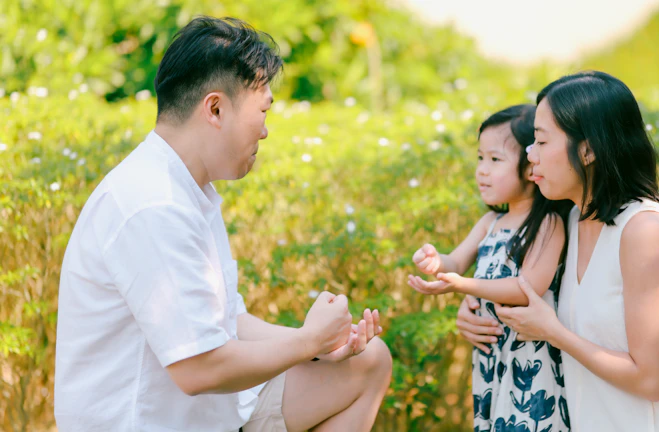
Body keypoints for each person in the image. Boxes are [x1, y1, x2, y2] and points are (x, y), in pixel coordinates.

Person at [54, 16, 391, 432]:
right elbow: (199, 370)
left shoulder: (187, 188)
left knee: (369, 360)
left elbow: (230, 321)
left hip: (216, 412)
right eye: (263, 111)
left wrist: (324, 345)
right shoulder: (152, 203)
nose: (266, 131)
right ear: (215, 108)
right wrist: (307, 342)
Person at [496, 71, 659, 431]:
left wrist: (553, 332)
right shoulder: (570, 219)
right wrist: (470, 305)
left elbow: (651, 381)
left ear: (587, 150)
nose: (530, 155)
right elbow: (513, 271)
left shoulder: (644, 231)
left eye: (541, 142)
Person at [407, 106, 572, 432]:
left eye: (495, 160)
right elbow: (455, 261)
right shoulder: (490, 222)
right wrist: (436, 261)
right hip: (492, 359)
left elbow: (526, 288)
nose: (482, 170)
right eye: (480, 158)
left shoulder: (547, 223)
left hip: (529, 361)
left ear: (530, 167)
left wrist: (462, 285)